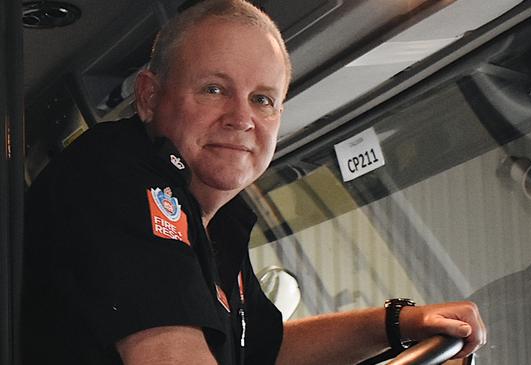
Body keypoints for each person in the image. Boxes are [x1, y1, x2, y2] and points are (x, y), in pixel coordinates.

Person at [21, 0, 486, 364]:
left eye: (263, 99)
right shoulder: (116, 177)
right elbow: (168, 356)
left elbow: (263, 352)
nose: (241, 119)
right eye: (214, 89)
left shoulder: (218, 220)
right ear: (149, 97)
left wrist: (396, 323)